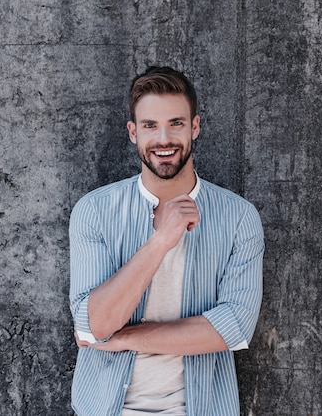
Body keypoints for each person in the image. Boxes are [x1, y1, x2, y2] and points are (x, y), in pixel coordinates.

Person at [68, 66, 264, 415]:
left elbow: (232, 329)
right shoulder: (94, 211)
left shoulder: (238, 217)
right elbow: (94, 323)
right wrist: (160, 241)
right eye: (150, 126)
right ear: (133, 133)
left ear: (195, 127)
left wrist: (123, 338)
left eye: (175, 123)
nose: (163, 140)